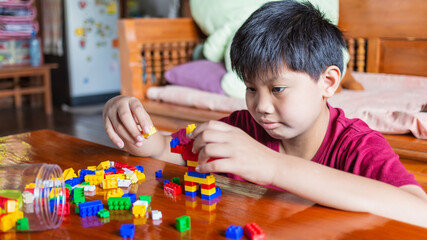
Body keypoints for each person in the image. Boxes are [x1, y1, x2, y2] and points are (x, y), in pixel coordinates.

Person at [103, 0, 427, 227]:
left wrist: (271, 167)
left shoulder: (356, 145)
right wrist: (131, 125)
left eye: (277, 89)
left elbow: (420, 212)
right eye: (251, 88)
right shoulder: (241, 127)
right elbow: (163, 150)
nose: (261, 106)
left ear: (327, 82)